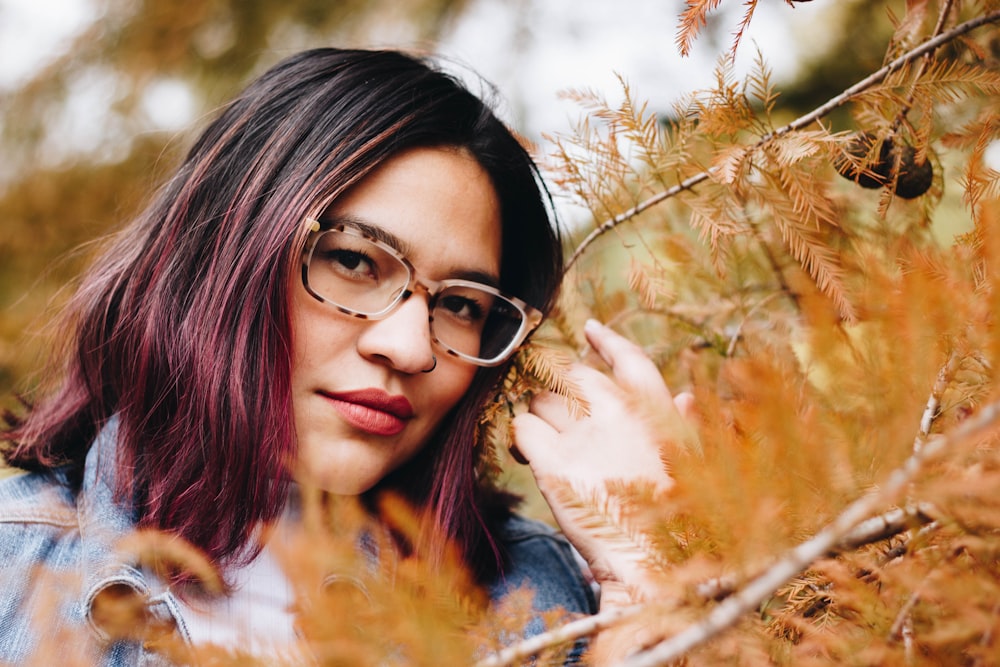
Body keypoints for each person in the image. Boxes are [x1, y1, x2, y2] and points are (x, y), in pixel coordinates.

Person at [0, 48, 683, 665]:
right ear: (221, 255)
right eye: (355, 260)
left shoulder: (526, 596)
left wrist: (650, 571)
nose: (411, 346)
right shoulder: (14, 564)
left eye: (462, 304)